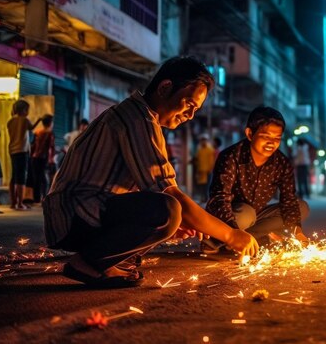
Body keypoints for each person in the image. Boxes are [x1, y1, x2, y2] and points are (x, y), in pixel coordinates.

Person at [43, 56, 258, 288]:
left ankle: (110, 261)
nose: (190, 115)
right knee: (168, 209)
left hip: (82, 214)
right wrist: (230, 235)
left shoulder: (141, 118)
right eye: (189, 104)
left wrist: (166, 227)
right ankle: (88, 263)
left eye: (195, 110)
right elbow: (173, 196)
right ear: (165, 88)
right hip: (75, 216)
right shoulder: (137, 119)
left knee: (168, 215)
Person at [204, 106, 309, 253]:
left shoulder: (281, 163)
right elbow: (219, 199)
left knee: (301, 207)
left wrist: (298, 233)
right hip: (229, 216)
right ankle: (216, 240)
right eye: (266, 136)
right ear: (250, 133)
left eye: (277, 138)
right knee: (246, 214)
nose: (271, 143)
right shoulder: (231, 157)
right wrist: (233, 231)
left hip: (256, 216)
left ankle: (249, 238)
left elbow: (289, 200)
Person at [7, 99, 42, 210]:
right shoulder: (25, 120)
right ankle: (20, 203)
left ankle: (13, 202)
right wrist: (39, 120)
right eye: (27, 110)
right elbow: (31, 128)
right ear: (23, 110)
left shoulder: (10, 121)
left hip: (12, 151)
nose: (28, 112)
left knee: (14, 177)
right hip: (22, 151)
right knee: (21, 178)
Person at [30, 114, 55, 204]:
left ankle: (36, 199)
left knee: (36, 178)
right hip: (43, 158)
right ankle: (45, 197)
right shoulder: (49, 133)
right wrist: (51, 159)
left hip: (34, 157)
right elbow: (50, 147)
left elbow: (33, 146)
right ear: (50, 123)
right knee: (44, 179)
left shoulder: (37, 132)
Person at [193, 134, 215, 203]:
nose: (203, 142)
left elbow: (212, 160)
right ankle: (203, 199)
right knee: (202, 186)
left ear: (207, 141)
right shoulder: (199, 150)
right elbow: (197, 159)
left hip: (208, 171)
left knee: (207, 186)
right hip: (201, 171)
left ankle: (207, 199)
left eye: (204, 140)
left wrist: (211, 169)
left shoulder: (210, 150)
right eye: (202, 140)